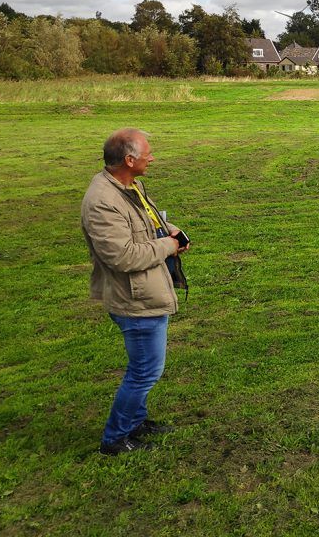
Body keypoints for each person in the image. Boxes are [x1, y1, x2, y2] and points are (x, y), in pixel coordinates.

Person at [81, 129, 189, 455]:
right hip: (134, 298)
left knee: (145, 368)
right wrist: (168, 245)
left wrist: (169, 230)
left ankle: (135, 421)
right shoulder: (102, 201)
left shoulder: (130, 186)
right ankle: (115, 439)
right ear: (129, 160)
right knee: (145, 371)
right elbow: (123, 256)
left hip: (148, 289)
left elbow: (147, 220)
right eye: (148, 153)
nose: (152, 158)